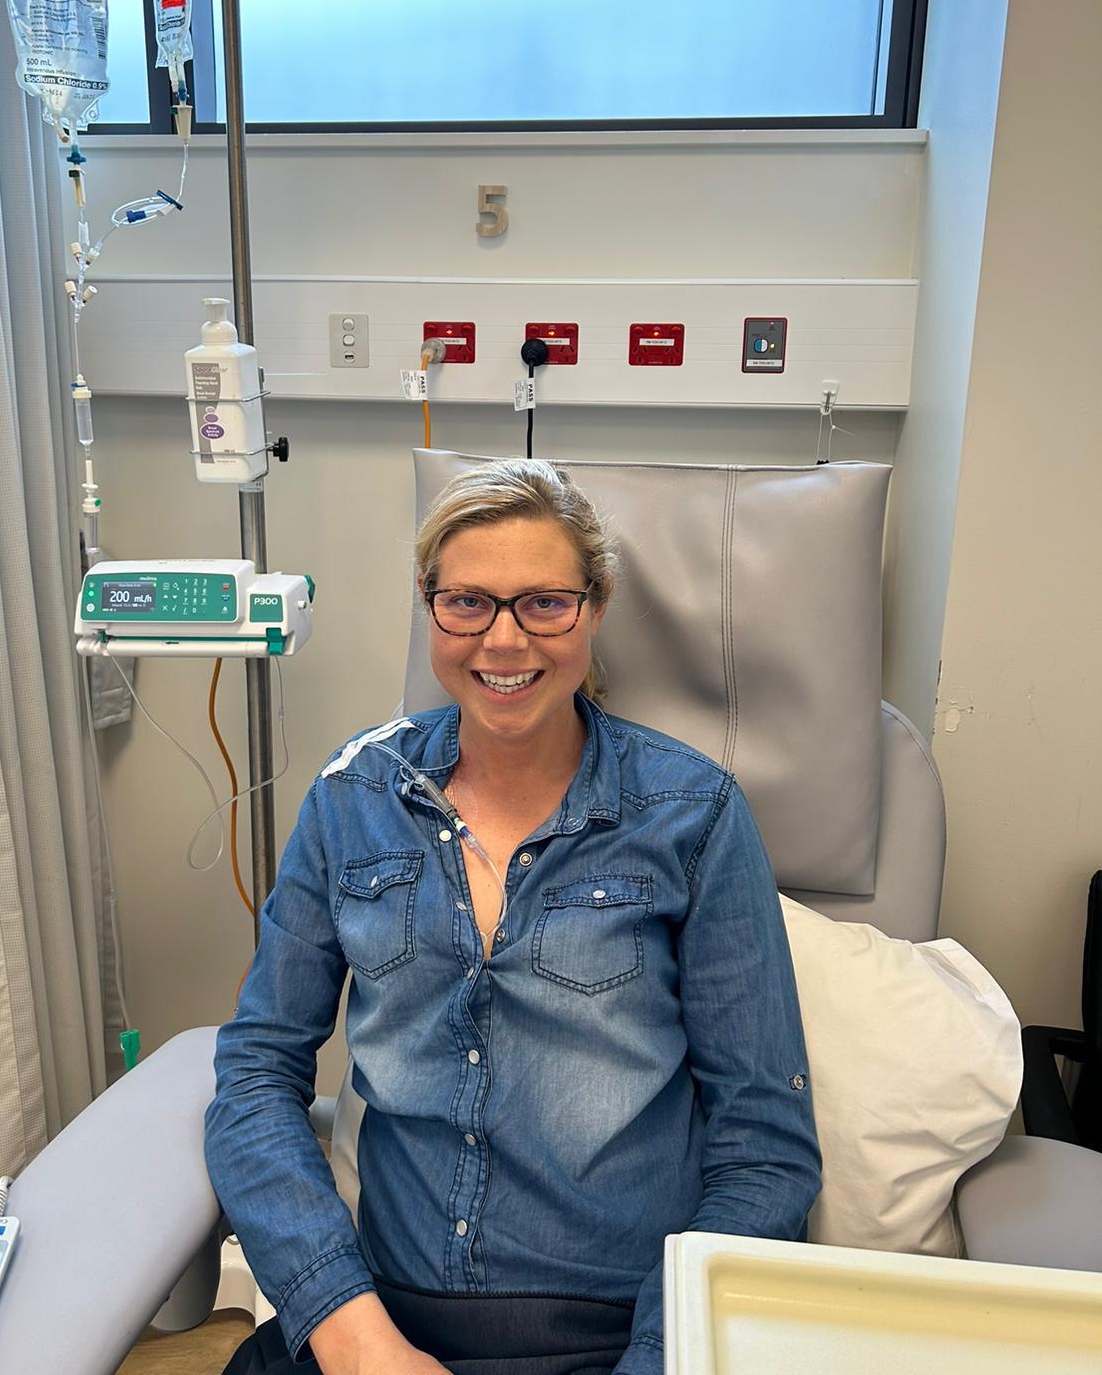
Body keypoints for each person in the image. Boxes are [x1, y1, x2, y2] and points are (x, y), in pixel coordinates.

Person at [206, 458, 822, 1375]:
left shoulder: (692, 816)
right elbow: (257, 1076)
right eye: (467, 603)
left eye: (544, 603)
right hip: (383, 1325)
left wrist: (662, 1353)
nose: (503, 639)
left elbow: (765, 1148)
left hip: (618, 1334)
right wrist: (350, 1331)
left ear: (596, 607)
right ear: (430, 606)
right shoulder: (351, 798)